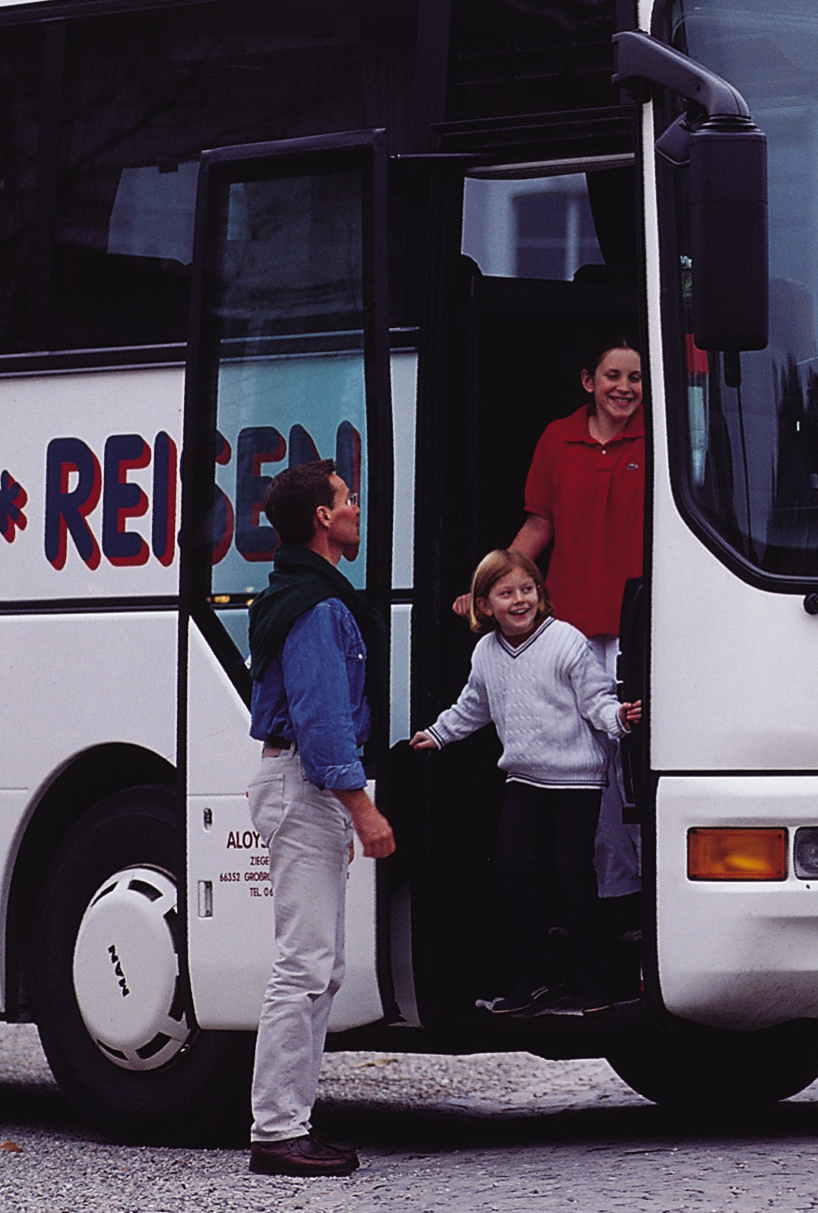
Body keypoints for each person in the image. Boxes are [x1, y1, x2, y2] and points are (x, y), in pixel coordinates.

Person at [454, 340, 647, 921]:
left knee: (634, 757)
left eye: (636, 377)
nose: (625, 387)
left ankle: (649, 898)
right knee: (589, 763)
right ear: (588, 380)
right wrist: (488, 584)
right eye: (613, 375)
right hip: (575, 627)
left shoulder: (662, 435)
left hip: (643, 624)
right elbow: (540, 524)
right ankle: (614, 901)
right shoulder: (556, 439)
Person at [412, 549, 640, 1017]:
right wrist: (438, 734)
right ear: (483, 606)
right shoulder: (486, 652)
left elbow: (596, 701)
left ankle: (594, 981)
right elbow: (473, 706)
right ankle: (537, 977)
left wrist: (618, 717)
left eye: (527, 589)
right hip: (524, 776)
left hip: (577, 779)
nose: (519, 600)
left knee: (573, 875)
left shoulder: (566, 642)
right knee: (511, 869)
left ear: (541, 592)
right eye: (506, 593)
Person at [245, 460, 393, 1178]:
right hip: (307, 785)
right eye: (346, 498)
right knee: (304, 965)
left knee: (320, 967)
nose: (356, 506)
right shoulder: (317, 606)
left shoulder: (310, 594)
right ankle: (276, 1130)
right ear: (321, 521)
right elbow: (322, 717)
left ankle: (289, 1123)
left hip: (307, 787)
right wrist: (360, 807)